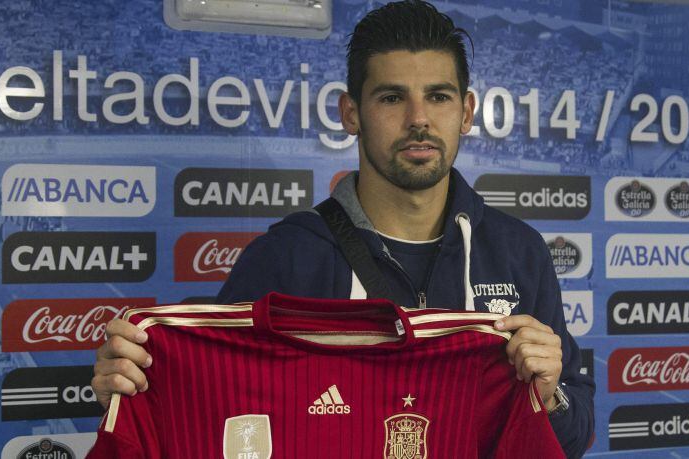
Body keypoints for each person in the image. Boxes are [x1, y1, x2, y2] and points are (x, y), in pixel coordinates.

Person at [92, 1, 595, 457]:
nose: (419, 119)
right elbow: (208, 407)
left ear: (465, 113)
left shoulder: (518, 252)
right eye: (392, 98)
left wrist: (550, 398)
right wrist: (136, 383)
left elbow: (575, 437)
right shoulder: (288, 256)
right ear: (351, 113)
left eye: (438, 97)